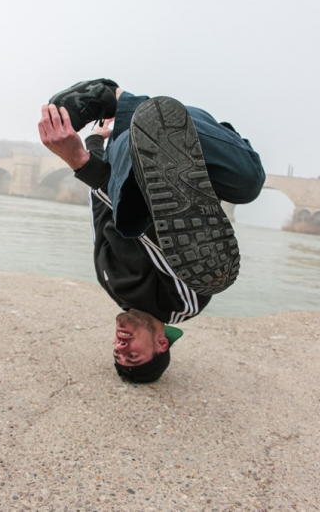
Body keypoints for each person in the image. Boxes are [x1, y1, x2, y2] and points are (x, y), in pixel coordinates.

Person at [37, 79, 265, 383]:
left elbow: (100, 207)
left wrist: (93, 142)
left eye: (117, 352)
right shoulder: (183, 302)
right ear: (162, 343)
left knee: (127, 211)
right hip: (187, 141)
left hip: (126, 152)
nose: (120, 346)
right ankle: (126, 106)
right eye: (132, 354)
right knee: (248, 182)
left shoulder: (109, 283)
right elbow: (154, 234)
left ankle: (118, 105)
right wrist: (80, 162)